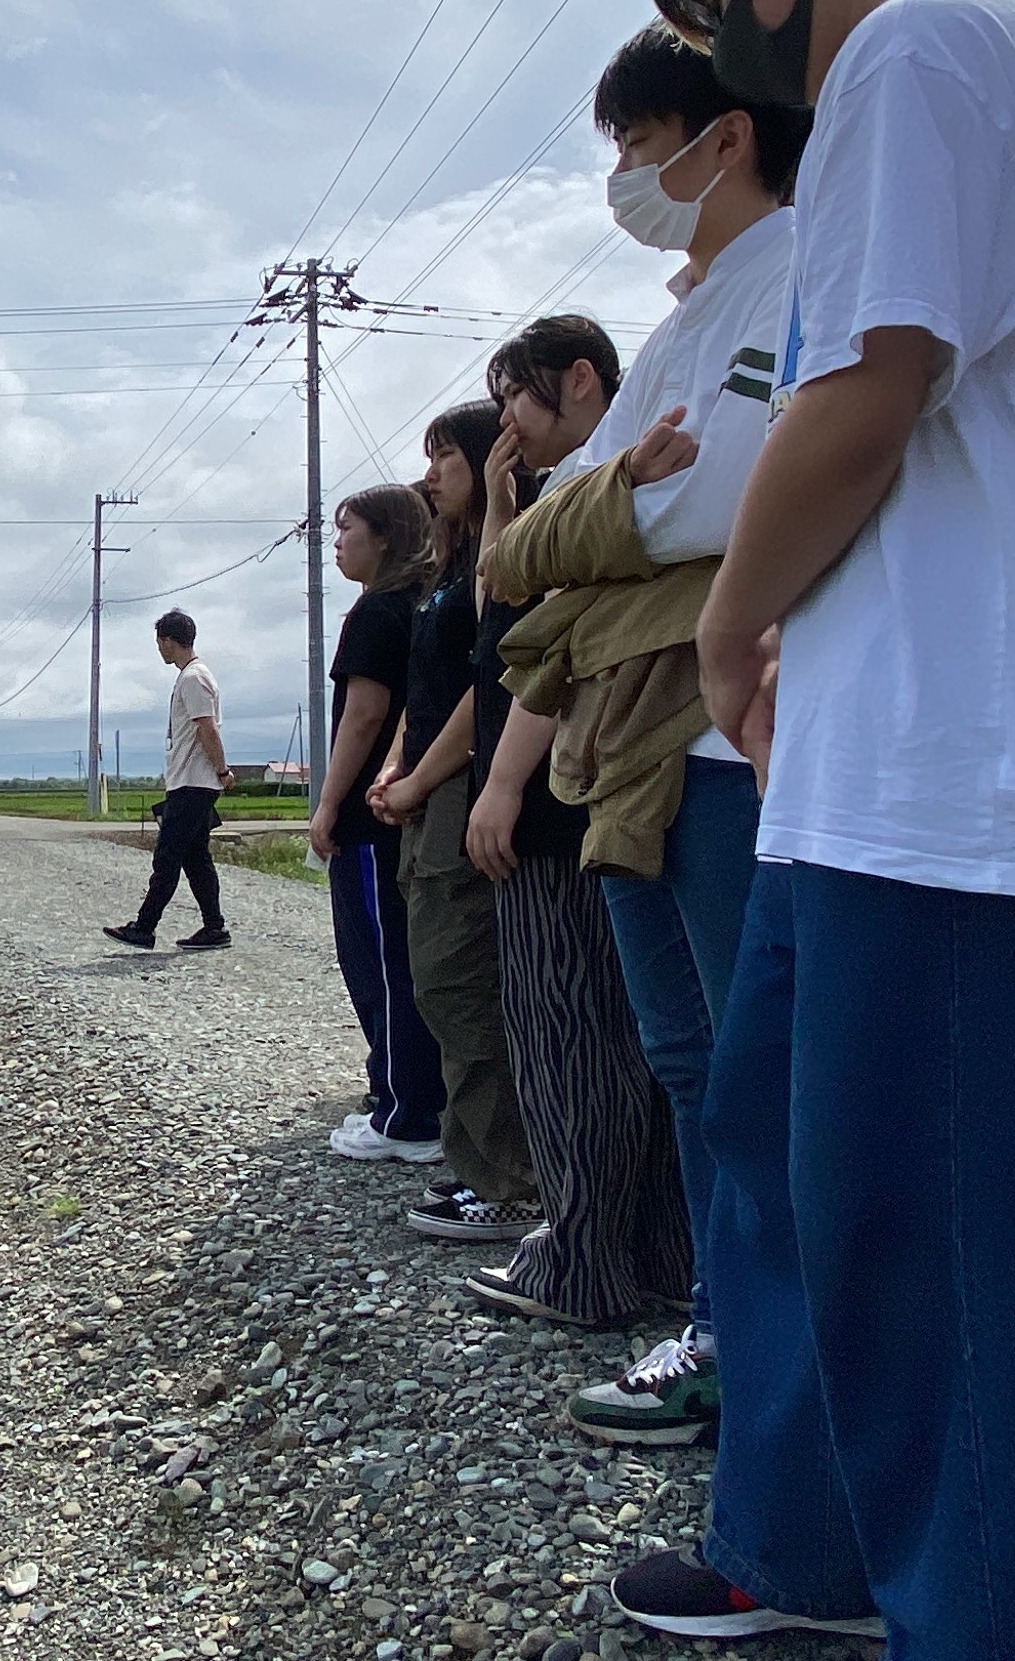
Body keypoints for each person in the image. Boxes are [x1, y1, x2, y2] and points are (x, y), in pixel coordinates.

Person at [605, 0, 1015, 1653]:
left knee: (930, 1250)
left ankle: (966, 1610)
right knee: (797, 1168)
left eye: (721, 7)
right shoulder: (953, 65)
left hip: (943, 783)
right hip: (860, 777)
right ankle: (798, 1547)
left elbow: (863, 394)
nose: (731, 56)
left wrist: (730, 621)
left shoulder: (922, 48)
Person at [489, 24, 807, 1445]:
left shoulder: (795, 272)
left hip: (729, 737)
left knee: (753, 1061)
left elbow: (721, 502)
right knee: (685, 1056)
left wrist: (597, 515)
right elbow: (537, 553)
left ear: (720, 136)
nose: (622, 177)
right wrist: (607, 506)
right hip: (635, 746)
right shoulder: (691, 307)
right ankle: (723, 1325)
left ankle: (785, 1364)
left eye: (631, 145)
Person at [458, 317, 695, 1330]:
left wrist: (501, 783)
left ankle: (583, 1262)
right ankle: (654, 1257)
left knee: (568, 1037)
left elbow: (544, 653)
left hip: (568, 792)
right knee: (643, 1043)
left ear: (578, 381)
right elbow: (503, 598)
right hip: (622, 783)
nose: (502, 421)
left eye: (511, 395)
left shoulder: (593, 488)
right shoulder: (594, 484)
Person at [367, 404, 538, 1244]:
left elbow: (489, 683)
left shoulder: (490, 561)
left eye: (446, 458)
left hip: (463, 787)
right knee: (437, 980)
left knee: (462, 980)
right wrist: (398, 766)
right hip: (429, 792)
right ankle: (473, 1163)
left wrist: (419, 777)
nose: (430, 473)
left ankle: (507, 1179)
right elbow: (424, 689)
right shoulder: (443, 569)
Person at [308, 484, 447, 1165]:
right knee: (408, 957)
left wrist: (329, 803)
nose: (337, 542)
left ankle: (405, 1111)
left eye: (348, 529)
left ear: (384, 536)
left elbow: (364, 716)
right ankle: (412, 1095)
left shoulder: (374, 615)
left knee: (383, 961)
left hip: (372, 819)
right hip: (408, 806)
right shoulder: (419, 604)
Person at [103, 608, 232, 951]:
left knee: (167, 856)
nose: (159, 649)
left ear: (169, 641)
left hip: (194, 783)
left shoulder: (193, 678)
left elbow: (208, 728)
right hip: (191, 781)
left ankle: (144, 928)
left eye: (160, 642)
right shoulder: (193, 676)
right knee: (195, 858)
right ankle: (214, 928)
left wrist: (222, 770)